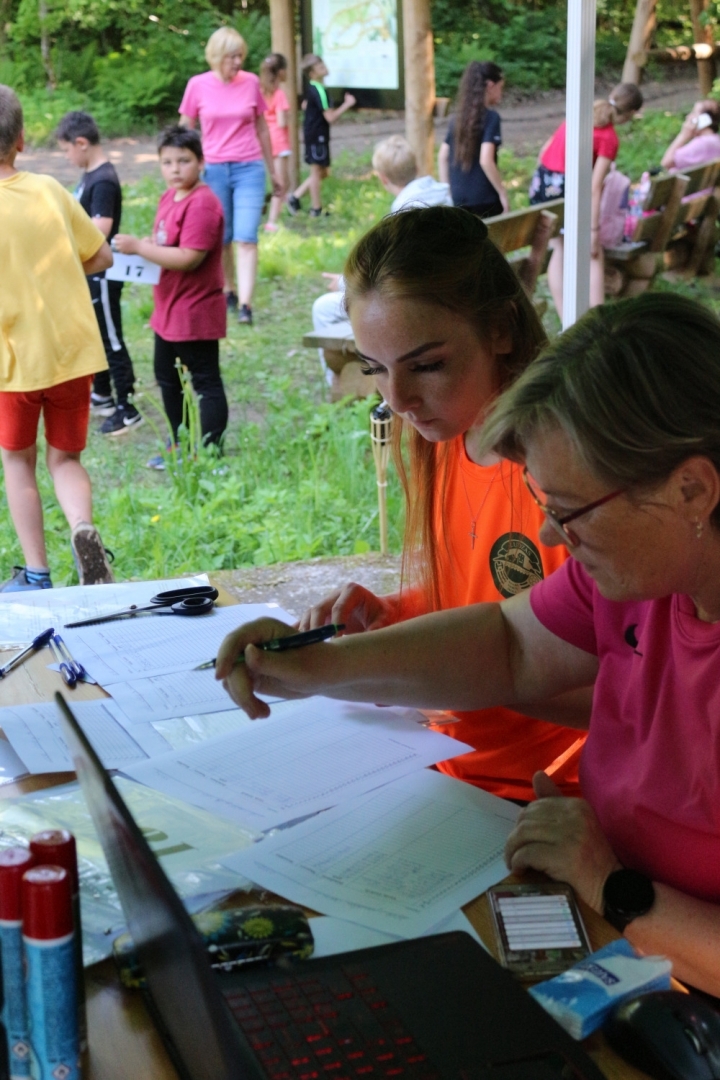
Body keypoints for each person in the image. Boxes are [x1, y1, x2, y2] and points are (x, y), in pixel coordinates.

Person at [217, 291, 720, 997]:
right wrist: (314, 667)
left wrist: (611, 883)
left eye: (571, 511)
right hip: (616, 939)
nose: (550, 537)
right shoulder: (643, 578)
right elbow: (507, 645)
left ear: (692, 491)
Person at [307, 206, 587, 803]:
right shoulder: (450, 437)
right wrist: (397, 618)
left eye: (428, 366)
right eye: (375, 369)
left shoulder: (562, 477)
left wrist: (413, 663)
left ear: (501, 331)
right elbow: (482, 599)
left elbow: (633, 685)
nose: (400, 399)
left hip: (548, 794)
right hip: (449, 766)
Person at [0, 85, 115, 590]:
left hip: (14, 363)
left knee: (17, 461)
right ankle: (82, 528)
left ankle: (37, 574)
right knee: (65, 458)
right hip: (72, 354)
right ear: (21, 139)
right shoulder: (49, 188)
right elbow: (101, 255)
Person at [113, 126, 228, 469]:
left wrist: (139, 247)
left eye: (184, 161)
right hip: (168, 307)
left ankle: (208, 452)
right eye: (167, 162)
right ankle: (180, 441)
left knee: (205, 381)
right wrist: (141, 253)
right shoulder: (169, 197)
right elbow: (162, 243)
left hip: (195, 308)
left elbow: (189, 256)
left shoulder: (203, 203)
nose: (175, 169)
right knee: (167, 377)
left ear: (201, 162)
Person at [312, 136, 452, 389]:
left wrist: (345, 284)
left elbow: (389, 277)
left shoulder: (402, 216)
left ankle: (335, 382)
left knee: (322, 308)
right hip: (445, 296)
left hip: (413, 305)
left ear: (383, 178)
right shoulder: (444, 197)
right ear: (417, 166)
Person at [178, 26, 281, 326]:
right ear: (216, 56)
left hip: (249, 167)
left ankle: (246, 305)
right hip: (214, 170)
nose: (238, 62)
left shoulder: (250, 83)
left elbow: (262, 127)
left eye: (241, 56)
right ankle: (228, 289)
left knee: (246, 236)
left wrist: (273, 170)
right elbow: (186, 129)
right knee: (221, 237)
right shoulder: (197, 85)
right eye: (232, 56)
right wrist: (188, 170)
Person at [55, 110, 142, 436]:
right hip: (91, 274)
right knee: (96, 335)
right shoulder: (92, 174)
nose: (66, 157)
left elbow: (99, 228)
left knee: (111, 338)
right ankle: (103, 394)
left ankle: (127, 407)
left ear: (81, 143)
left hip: (104, 275)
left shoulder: (103, 179)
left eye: (66, 150)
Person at [529, 83, 643, 320]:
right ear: (631, 113)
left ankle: (567, 321)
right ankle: (597, 319)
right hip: (566, 190)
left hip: (543, 185)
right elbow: (593, 186)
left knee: (559, 247)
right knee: (594, 253)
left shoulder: (578, 116)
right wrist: (592, 230)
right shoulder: (608, 137)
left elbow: (543, 152)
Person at [286, 54, 356, 218]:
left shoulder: (313, 88)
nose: (324, 68)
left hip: (316, 134)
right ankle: (316, 210)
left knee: (324, 172)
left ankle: (295, 197)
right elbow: (330, 117)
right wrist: (347, 104)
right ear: (312, 73)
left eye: (323, 65)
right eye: (320, 67)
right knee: (316, 171)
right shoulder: (319, 91)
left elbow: (305, 105)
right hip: (317, 135)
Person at [438, 61, 507, 219]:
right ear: (490, 85)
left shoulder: (457, 119)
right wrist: (502, 193)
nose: (501, 94)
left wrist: (448, 192)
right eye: (500, 87)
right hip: (485, 200)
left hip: (458, 199)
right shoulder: (491, 118)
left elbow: (443, 156)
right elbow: (485, 160)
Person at [259, 53, 291, 233]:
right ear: (281, 72)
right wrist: (288, 116)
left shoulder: (261, 91)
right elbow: (281, 122)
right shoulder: (279, 94)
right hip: (279, 139)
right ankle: (272, 221)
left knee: (274, 180)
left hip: (265, 139)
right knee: (280, 182)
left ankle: (278, 210)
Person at [661, 99, 720, 171]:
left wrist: (683, 135)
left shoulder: (703, 143)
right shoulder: (715, 140)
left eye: (694, 113)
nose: (688, 117)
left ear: (704, 120)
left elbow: (666, 162)